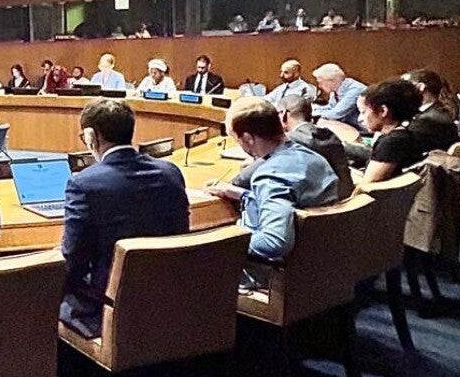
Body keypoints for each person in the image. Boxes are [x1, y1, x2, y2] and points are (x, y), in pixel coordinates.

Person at [60, 99, 189, 338]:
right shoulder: (170, 172)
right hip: (169, 299)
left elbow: (73, 261)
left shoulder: (84, 184)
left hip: (109, 309)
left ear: (91, 137)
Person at [207, 97, 339, 269]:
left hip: (277, 274)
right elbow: (290, 202)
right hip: (323, 263)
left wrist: (224, 241)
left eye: (236, 139)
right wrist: (243, 194)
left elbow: (274, 243)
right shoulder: (313, 158)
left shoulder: (270, 176)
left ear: (247, 138)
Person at [233, 95, 355, 199]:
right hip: (348, 203)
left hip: (315, 212)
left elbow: (241, 181)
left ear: (283, 115)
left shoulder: (289, 141)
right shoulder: (330, 135)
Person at [359, 79, 444, 184]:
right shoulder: (405, 136)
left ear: (383, 111)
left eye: (363, 112)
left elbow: (366, 187)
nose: (360, 119)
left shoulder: (391, 143)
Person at [403, 68, 460, 153]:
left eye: (405, 86)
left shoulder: (428, 120)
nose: (401, 91)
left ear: (420, 87)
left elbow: (402, 145)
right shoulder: (434, 112)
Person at [312, 63, 367, 128]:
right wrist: (313, 108)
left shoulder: (355, 90)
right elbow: (331, 107)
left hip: (363, 129)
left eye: (320, 82)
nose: (319, 86)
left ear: (331, 81)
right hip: (348, 126)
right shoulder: (335, 90)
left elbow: (336, 113)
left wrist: (312, 113)